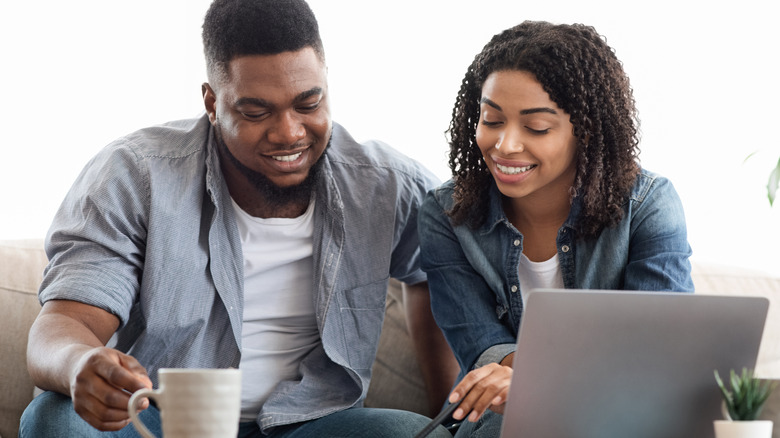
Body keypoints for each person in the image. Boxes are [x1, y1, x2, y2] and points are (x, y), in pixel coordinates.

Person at [19, 0, 457, 436]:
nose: (289, 133)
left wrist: (450, 414)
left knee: (414, 433)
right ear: (212, 102)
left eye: (308, 104)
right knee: (55, 421)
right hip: (165, 419)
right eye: (256, 112)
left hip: (315, 423)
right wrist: (79, 363)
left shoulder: (385, 186)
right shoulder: (135, 175)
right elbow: (65, 324)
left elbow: (442, 269)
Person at [418, 21, 694, 437]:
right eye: (491, 119)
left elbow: (657, 350)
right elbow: (480, 344)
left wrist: (538, 380)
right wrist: (526, 385)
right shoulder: (446, 214)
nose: (505, 145)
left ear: (585, 131)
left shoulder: (647, 204)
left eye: (536, 127)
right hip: (495, 416)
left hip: (618, 411)